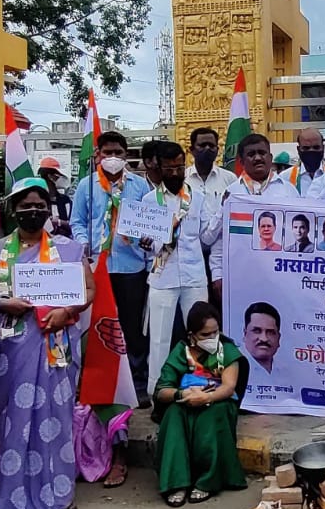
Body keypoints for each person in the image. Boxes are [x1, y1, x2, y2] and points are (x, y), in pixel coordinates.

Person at [0, 177, 94, 509]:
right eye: (26, 206)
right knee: (14, 422)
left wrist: (66, 312)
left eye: (40, 206)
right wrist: (2, 302)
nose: (33, 211)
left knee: (56, 420)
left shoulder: (67, 249)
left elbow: (87, 288)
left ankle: (59, 494)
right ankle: (13, 502)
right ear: (13, 210)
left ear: (49, 210)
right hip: (12, 353)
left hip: (56, 347)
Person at [71, 130, 152, 397]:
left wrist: (147, 239)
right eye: (107, 153)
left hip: (131, 267)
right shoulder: (87, 186)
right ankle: (100, 383)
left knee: (132, 327)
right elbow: (77, 222)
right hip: (98, 267)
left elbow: (148, 222)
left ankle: (137, 385)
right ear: (98, 156)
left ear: (126, 155)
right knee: (99, 325)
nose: (113, 158)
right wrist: (84, 244)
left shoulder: (140, 186)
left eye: (118, 152)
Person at [152, 301, 248, 507]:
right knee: (174, 415)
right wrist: (182, 394)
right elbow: (161, 391)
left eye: (215, 332)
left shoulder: (226, 350)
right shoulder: (180, 352)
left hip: (217, 399)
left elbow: (229, 387)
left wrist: (207, 397)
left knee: (211, 414)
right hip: (186, 398)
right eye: (205, 335)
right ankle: (176, 482)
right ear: (192, 334)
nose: (212, 338)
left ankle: (207, 482)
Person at [144, 141, 220, 398]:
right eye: (169, 168)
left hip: (194, 276)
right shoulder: (148, 200)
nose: (175, 173)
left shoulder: (197, 198)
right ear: (159, 167)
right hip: (162, 276)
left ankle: (203, 389)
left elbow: (207, 238)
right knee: (159, 340)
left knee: (202, 335)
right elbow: (147, 244)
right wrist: (147, 241)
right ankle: (159, 396)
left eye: (179, 167)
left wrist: (223, 211)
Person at [208, 133, 296, 302]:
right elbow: (220, 239)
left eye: (262, 153)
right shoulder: (232, 193)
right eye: (251, 154)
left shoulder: (288, 191)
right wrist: (217, 274)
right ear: (241, 161)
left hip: (281, 277)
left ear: (270, 157)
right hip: (240, 276)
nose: (257, 158)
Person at [186, 127, 236, 271]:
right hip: (192, 257)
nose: (207, 149)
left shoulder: (230, 179)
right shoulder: (183, 180)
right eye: (202, 145)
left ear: (217, 149)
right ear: (191, 149)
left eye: (211, 145)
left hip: (222, 255)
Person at [242, 301, 285, 377]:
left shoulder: (287, 374)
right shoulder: (232, 371)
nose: (264, 339)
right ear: (245, 334)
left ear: (278, 338)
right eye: (257, 331)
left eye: (270, 332)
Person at [36, 157, 73, 238]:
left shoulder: (65, 201)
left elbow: (75, 225)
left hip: (64, 244)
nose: (61, 179)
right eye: (58, 176)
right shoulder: (38, 201)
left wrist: (59, 222)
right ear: (51, 177)